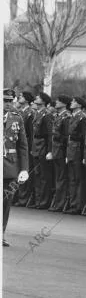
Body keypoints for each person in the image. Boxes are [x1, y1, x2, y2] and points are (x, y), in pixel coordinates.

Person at [3, 89, 29, 246]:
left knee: (6, 202)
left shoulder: (17, 118)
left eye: (9, 101)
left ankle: (1, 233)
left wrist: (24, 168)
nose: (7, 104)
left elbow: (23, 146)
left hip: (10, 166)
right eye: (4, 100)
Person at [29, 92, 54, 209]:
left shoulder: (47, 115)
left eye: (38, 97)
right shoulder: (37, 113)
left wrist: (50, 150)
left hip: (43, 146)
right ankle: (38, 200)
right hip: (36, 145)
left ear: (43, 101)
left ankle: (44, 201)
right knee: (37, 174)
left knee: (44, 175)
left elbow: (50, 134)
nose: (36, 98)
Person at [64, 96, 86, 215]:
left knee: (78, 179)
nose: (71, 103)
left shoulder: (82, 118)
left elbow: (84, 138)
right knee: (72, 179)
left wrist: (83, 155)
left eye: (73, 101)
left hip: (78, 150)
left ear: (79, 105)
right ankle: (73, 204)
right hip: (71, 149)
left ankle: (78, 205)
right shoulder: (73, 117)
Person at [48, 95, 72, 212]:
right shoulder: (58, 116)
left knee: (61, 178)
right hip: (56, 149)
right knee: (58, 177)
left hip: (61, 150)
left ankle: (60, 203)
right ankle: (57, 202)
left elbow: (66, 136)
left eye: (58, 101)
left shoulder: (66, 117)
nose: (56, 103)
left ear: (64, 104)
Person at [17, 91, 35, 207]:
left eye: (22, 96)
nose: (19, 97)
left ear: (27, 100)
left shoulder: (30, 113)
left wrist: (30, 148)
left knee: (24, 172)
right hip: (16, 146)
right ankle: (17, 196)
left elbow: (31, 133)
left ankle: (23, 198)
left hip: (25, 145)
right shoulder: (19, 112)